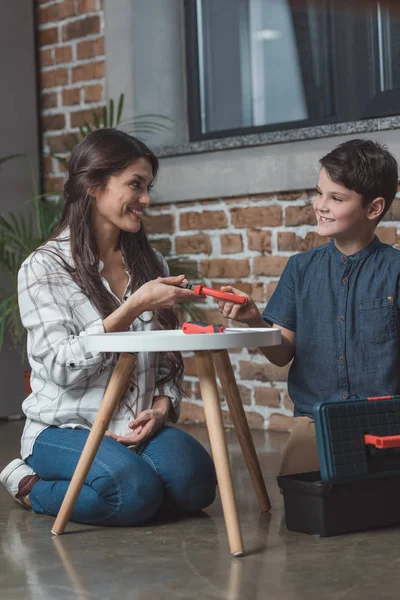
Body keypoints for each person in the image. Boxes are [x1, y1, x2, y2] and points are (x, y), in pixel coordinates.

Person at [0, 128, 216, 526]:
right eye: (135, 185)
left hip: (133, 427)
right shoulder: (45, 267)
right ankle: (29, 485)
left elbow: (167, 357)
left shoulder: (151, 264)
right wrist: (132, 307)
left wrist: (162, 408)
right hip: (62, 428)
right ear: (93, 185)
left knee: (196, 485)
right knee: (131, 493)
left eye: (148, 187)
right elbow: (58, 366)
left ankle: (124, 479)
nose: (146, 200)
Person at [216, 138, 400, 476]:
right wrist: (254, 320)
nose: (321, 205)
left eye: (336, 198)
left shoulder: (395, 271)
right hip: (315, 421)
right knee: (307, 499)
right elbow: (281, 353)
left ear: (373, 208)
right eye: (320, 193)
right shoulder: (300, 269)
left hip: (387, 422)